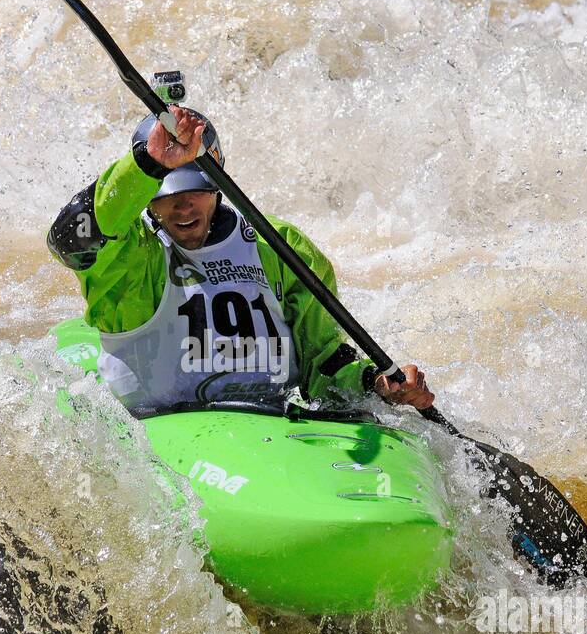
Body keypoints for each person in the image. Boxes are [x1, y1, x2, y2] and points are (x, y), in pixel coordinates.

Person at [47, 104, 433, 416]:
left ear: (218, 185)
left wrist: (375, 384)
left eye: (195, 189)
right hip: (158, 422)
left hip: (266, 427)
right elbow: (70, 237)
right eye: (167, 193)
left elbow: (325, 365)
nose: (183, 205)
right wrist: (144, 166)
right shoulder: (131, 258)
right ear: (147, 197)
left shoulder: (281, 247)